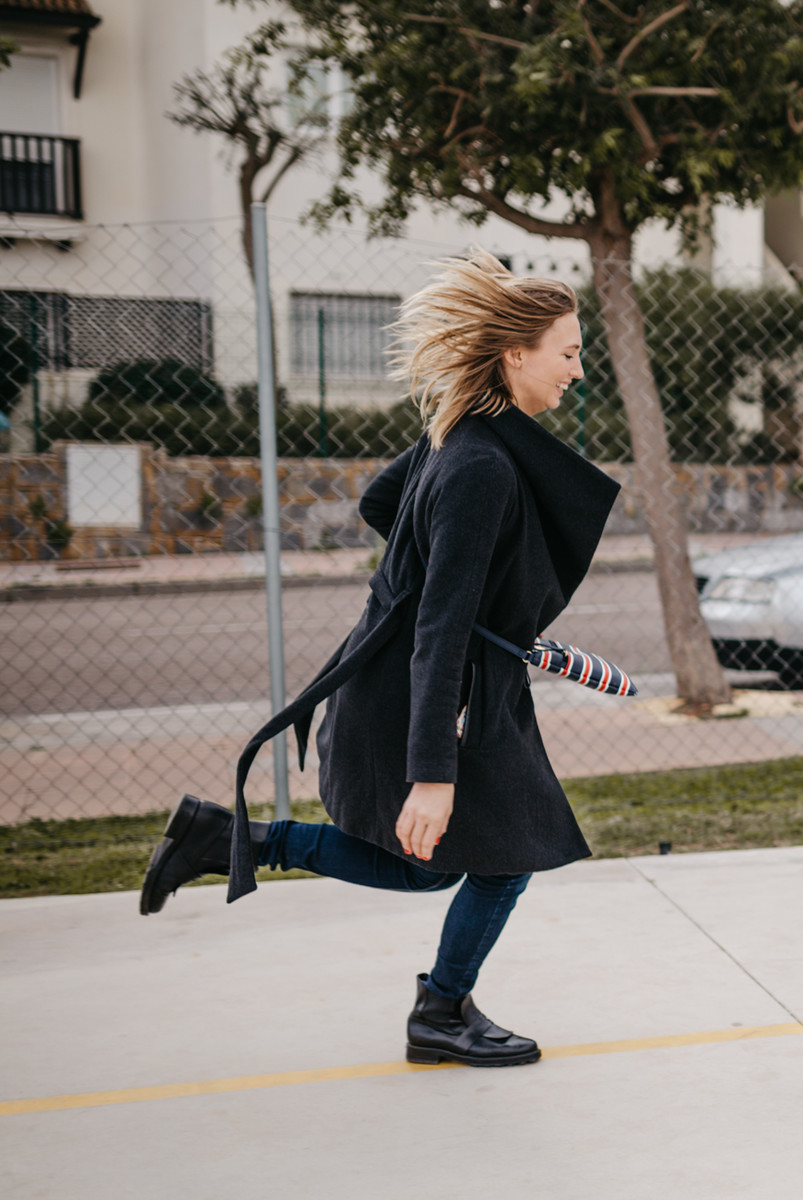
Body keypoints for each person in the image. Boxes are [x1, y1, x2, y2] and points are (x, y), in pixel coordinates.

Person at [138, 251, 621, 1068]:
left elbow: (379, 504)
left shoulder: (463, 436)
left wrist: (434, 570)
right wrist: (433, 770)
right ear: (516, 354)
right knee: (503, 856)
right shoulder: (479, 466)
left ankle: (232, 840)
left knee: (440, 869)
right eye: (568, 351)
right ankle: (439, 1012)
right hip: (426, 694)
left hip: (423, 682)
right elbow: (438, 622)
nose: (579, 369)